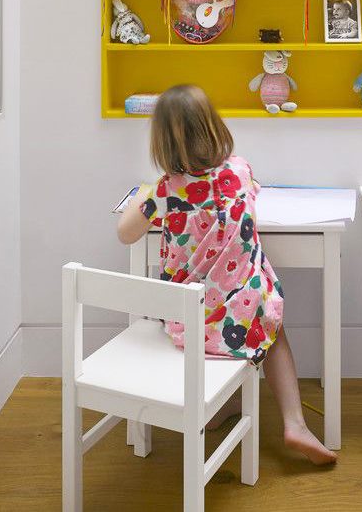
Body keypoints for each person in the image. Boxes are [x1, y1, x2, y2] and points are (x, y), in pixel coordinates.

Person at [117, 85, 337, 465]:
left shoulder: (165, 192)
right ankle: (295, 423)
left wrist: (149, 190)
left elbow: (126, 233)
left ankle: (224, 405)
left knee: (220, 326)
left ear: (162, 144)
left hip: (189, 321)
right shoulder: (239, 169)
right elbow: (249, 191)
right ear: (214, 127)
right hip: (245, 316)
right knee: (273, 328)